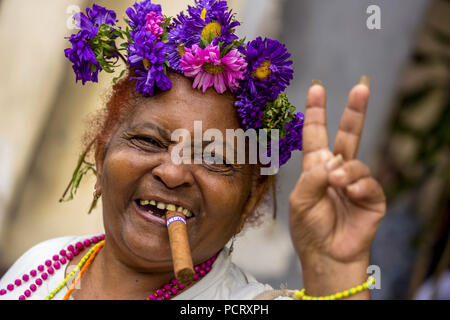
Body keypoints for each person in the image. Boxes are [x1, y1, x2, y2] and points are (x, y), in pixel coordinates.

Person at [0, 0, 385, 300]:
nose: (172, 172)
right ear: (102, 156)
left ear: (250, 201)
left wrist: (335, 275)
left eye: (215, 159)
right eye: (148, 141)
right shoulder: (43, 264)